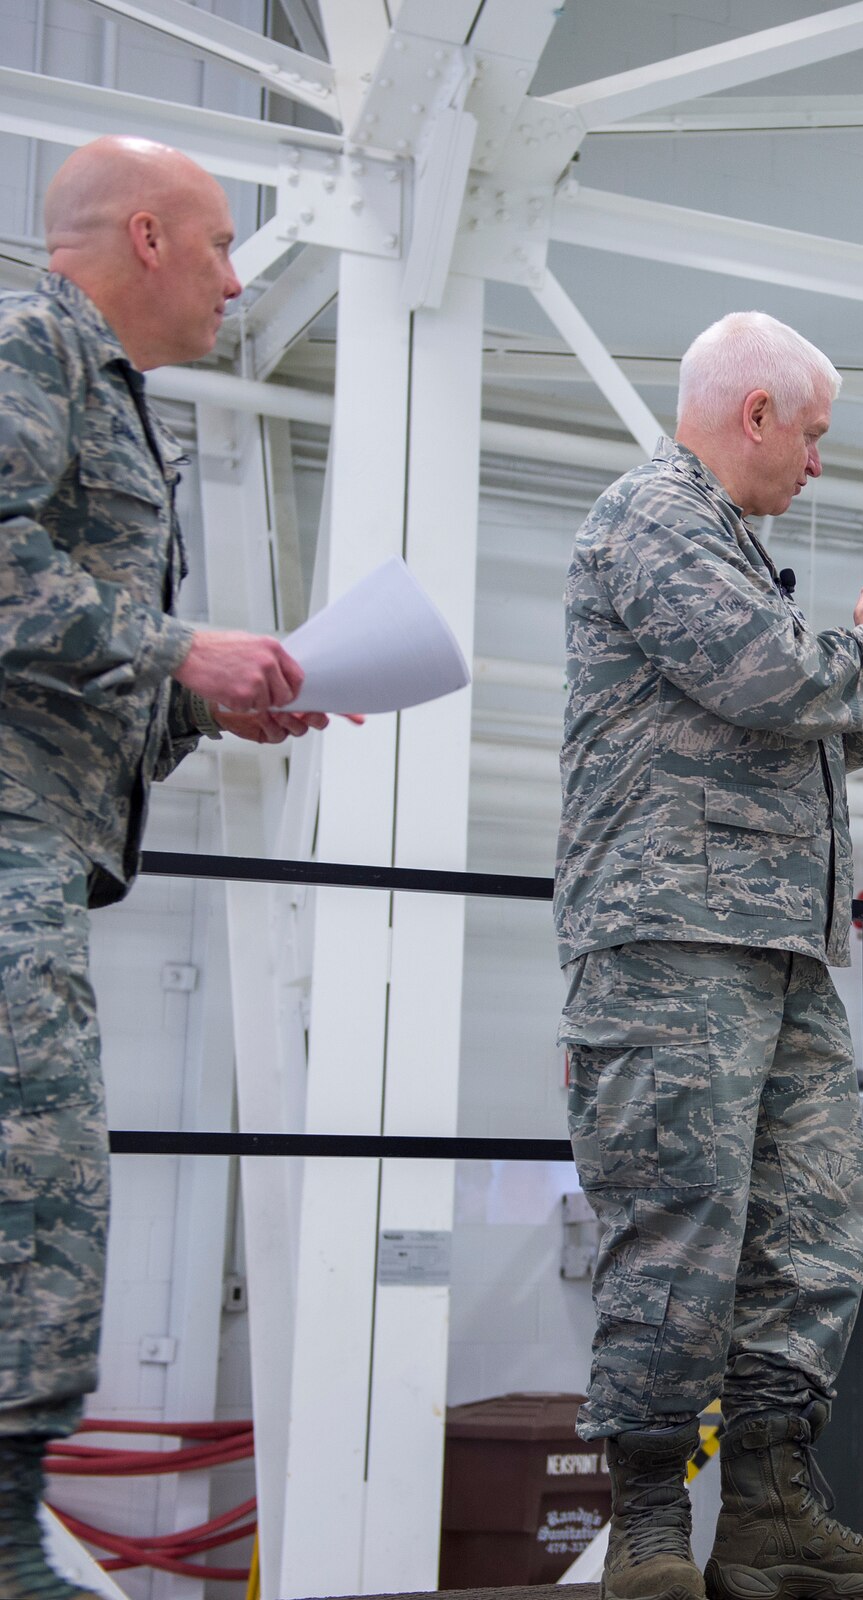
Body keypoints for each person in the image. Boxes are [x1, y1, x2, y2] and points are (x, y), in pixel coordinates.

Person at [556, 310, 863, 1600]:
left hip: (783, 942)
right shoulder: (652, 517)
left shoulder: (732, 548)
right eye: (811, 433)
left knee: (808, 1226)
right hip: (671, 934)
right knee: (676, 1221)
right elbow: (774, 681)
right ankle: (647, 1519)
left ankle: (772, 1506)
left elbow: (838, 734)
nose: (816, 461)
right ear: (754, 415)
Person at [0, 137, 342, 1600]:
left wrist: (209, 701)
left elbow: (74, 664)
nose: (232, 279)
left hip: (45, 834)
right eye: (216, 248)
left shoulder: (118, 400)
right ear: (144, 237)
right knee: (41, 1177)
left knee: (46, 1175)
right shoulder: (34, 345)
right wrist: (172, 646)